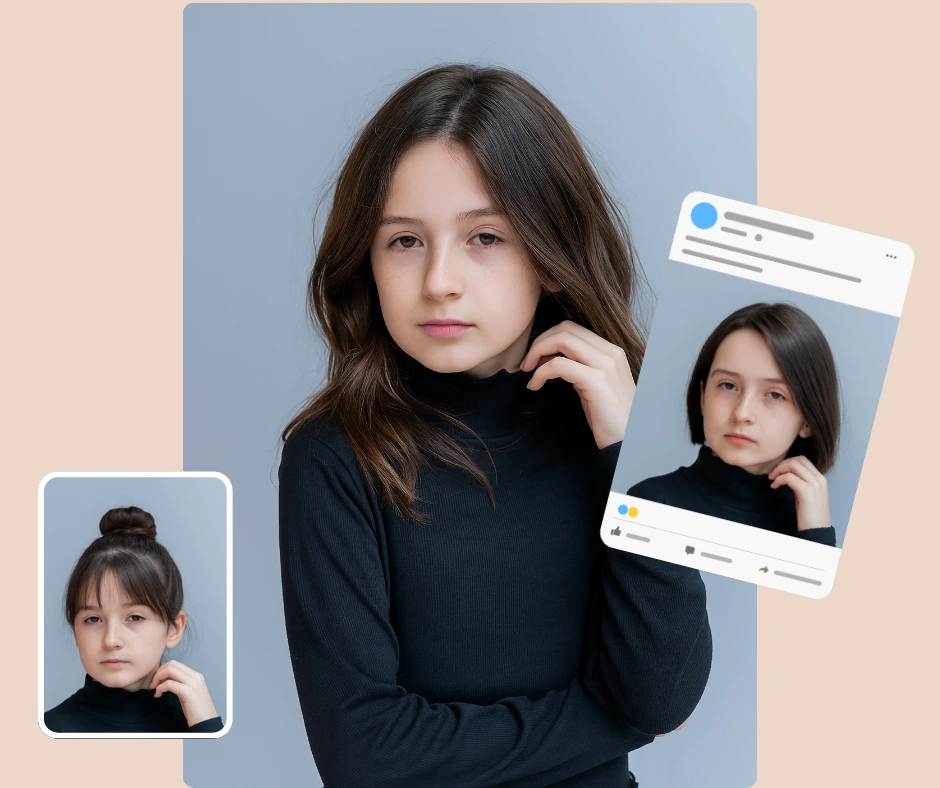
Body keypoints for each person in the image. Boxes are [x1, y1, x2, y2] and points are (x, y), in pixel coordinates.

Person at [278, 63, 712, 788]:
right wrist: (616, 720)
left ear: (551, 255)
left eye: (484, 237)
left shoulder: (618, 438)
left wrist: (633, 458)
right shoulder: (334, 457)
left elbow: (663, 689)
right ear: (368, 262)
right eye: (405, 241)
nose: (440, 282)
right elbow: (366, 760)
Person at [629, 302, 841, 546]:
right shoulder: (648, 504)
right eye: (728, 385)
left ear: (808, 419)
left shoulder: (811, 525)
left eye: (775, 394)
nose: (742, 413)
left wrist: (817, 537)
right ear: (703, 395)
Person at [44, 506, 223, 734]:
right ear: (75, 631)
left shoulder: (199, 721)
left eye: (135, 617)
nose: (111, 641)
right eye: (93, 619)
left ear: (174, 628)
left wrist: (208, 727)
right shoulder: (50, 731)